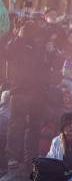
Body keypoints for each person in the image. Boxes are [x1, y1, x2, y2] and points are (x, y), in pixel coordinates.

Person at [4, 21, 62, 171]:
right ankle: (13, 157)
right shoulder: (18, 44)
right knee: (17, 125)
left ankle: (29, 158)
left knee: (34, 127)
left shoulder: (43, 45)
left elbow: (55, 65)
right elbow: (6, 53)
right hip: (21, 90)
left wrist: (51, 51)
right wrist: (19, 36)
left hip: (38, 92)